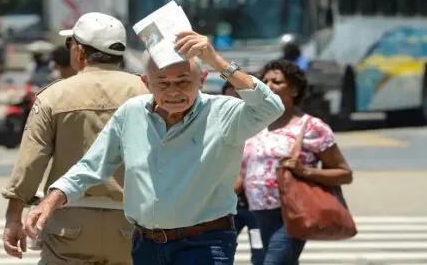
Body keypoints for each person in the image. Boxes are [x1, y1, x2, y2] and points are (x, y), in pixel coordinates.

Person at [23, 30, 286, 265]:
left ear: (202, 79)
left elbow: (271, 107)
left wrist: (216, 60)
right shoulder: (131, 113)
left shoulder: (224, 114)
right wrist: (48, 204)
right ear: (146, 84)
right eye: (163, 83)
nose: (173, 91)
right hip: (145, 245)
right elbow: (91, 167)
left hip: (205, 243)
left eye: (183, 81)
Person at [1, 12, 149, 265]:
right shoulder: (148, 92)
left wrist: (13, 218)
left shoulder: (53, 96)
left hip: (68, 221)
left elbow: (30, 162)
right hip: (133, 221)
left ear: (80, 52)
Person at [241, 59, 353, 264]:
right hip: (255, 213)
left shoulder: (311, 127)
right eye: (264, 81)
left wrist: (305, 171)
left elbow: (344, 173)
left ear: (294, 91)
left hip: (290, 213)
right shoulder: (254, 122)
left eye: (277, 81)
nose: (269, 86)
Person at [222, 81, 265, 265]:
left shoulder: (260, 128)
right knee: (221, 249)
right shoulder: (218, 127)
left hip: (256, 207)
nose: (233, 103)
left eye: (238, 98)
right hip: (229, 208)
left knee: (259, 251)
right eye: (228, 98)